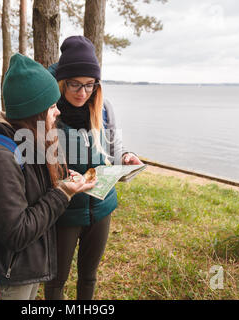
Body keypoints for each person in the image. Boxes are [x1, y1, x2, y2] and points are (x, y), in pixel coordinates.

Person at [0, 53, 96, 300]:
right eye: (51, 106)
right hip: (11, 278)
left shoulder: (24, 137)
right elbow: (17, 232)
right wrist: (63, 192)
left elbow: (33, 194)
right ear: (34, 111)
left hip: (26, 267)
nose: (57, 112)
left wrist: (64, 180)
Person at [44, 36, 143, 300]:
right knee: (56, 280)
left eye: (89, 85)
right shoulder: (49, 114)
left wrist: (126, 157)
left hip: (101, 208)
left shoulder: (104, 108)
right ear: (62, 82)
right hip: (64, 211)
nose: (83, 92)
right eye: (75, 84)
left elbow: (114, 149)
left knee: (89, 276)